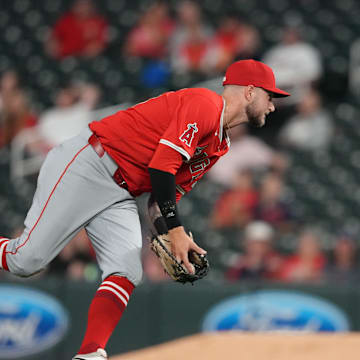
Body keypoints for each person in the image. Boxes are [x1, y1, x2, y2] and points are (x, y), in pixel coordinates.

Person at [0, 59, 289, 360]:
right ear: (251, 92)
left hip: (122, 191)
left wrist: (168, 233)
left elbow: (161, 198)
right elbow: (162, 168)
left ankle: (90, 353)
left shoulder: (220, 144)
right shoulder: (204, 103)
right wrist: (175, 231)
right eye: (271, 97)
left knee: (127, 270)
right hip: (90, 165)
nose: (272, 106)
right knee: (26, 260)